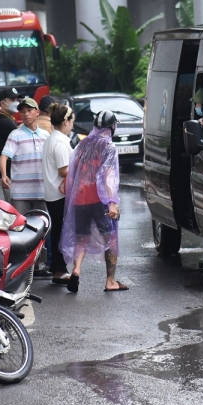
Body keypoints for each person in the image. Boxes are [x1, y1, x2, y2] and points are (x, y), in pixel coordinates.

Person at [60, 110, 127, 293]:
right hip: (100, 200)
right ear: (112, 126)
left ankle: (76, 269)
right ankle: (110, 281)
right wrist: (112, 202)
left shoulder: (83, 144)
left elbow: (73, 171)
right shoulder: (109, 147)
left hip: (79, 198)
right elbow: (108, 176)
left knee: (81, 238)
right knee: (111, 239)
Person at [42, 103, 75, 284]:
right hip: (59, 194)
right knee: (62, 232)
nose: (72, 125)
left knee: (57, 231)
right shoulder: (60, 141)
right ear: (65, 121)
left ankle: (57, 268)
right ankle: (59, 269)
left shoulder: (52, 138)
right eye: (72, 122)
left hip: (52, 192)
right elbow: (64, 170)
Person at [0, 96, 49, 216]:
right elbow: (4, 157)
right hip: (20, 193)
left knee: (43, 226)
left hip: (41, 191)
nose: (26, 114)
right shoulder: (15, 135)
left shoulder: (45, 135)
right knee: (21, 226)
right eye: (22, 111)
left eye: (29, 110)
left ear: (37, 112)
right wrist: (4, 175)